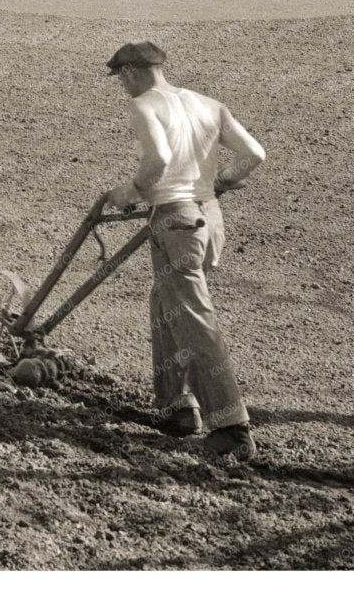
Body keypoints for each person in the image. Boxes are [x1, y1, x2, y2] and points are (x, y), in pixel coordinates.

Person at [103, 39, 267, 462]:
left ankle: (231, 426)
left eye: (119, 79)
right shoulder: (208, 104)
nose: (121, 87)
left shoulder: (144, 105)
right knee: (167, 304)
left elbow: (157, 157)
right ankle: (177, 408)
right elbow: (254, 155)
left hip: (175, 220)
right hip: (209, 219)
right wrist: (219, 185)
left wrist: (133, 191)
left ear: (129, 73)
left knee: (193, 317)